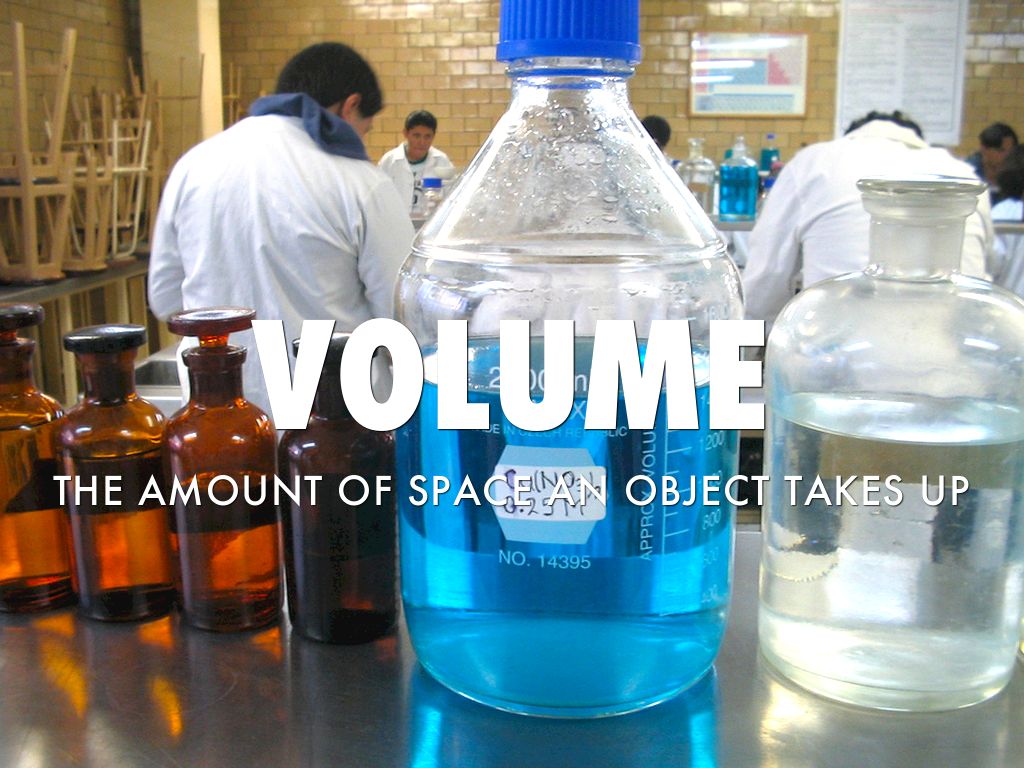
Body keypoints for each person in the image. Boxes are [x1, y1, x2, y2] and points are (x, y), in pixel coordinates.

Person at [148, 42, 414, 418]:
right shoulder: (361, 182)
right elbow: (403, 317)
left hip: (219, 418)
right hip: (335, 419)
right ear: (350, 105)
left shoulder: (193, 166)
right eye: (365, 129)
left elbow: (164, 299)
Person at [742, 110, 997, 327]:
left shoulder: (815, 162)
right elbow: (985, 271)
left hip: (836, 351)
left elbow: (765, 281)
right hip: (955, 353)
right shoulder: (964, 175)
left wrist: (756, 350)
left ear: (850, 135)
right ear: (918, 140)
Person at [378, 110, 456, 212]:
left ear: (434, 136)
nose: (422, 142)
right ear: (406, 133)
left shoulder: (442, 161)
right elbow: (378, 199)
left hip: (430, 220)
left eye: (427, 136)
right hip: (396, 220)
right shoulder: (389, 161)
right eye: (416, 136)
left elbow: (452, 198)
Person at [966, 122, 1018, 203]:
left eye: (1011, 151)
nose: (1008, 156)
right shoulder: (968, 173)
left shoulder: (1016, 174)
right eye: (1001, 150)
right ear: (984, 149)